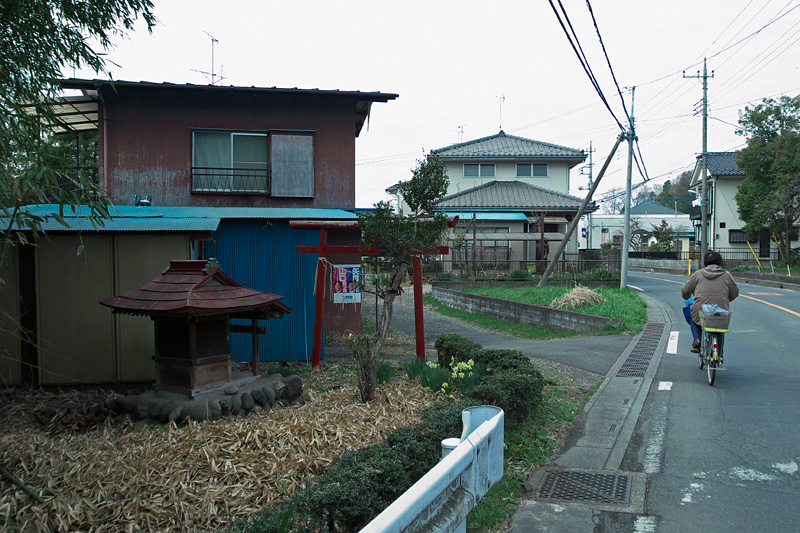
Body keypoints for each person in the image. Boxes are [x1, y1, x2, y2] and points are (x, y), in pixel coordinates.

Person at [681, 250, 739, 353]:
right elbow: (735, 293)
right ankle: (719, 354)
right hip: (720, 308)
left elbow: (685, 290)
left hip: (700, 308)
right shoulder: (726, 275)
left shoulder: (698, 274)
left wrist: (686, 297)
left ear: (705, 262)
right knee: (719, 327)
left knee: (692, 315)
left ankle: (697, 339)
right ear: (720, 262)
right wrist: (726, 299)